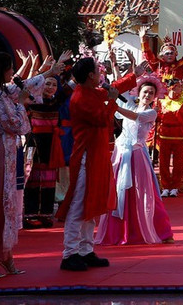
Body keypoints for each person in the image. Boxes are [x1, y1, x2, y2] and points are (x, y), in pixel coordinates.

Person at [0, 51, 62, 278]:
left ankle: (3, 254)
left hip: (5, 152)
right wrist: (21, 104)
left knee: (7, 205)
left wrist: (49, 72)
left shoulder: (0, 91)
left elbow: (25, 85)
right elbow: (16, 125)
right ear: (2, 71)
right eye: (10, 68)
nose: (13, 72)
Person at [57, 56, 137, 272]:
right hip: (86, 156)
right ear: (91, 75)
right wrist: (113, 101)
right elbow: (102, 118)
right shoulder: (80, 97)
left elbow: (112, 89)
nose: (101, 73)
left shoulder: (90, 91)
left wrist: (134, 75)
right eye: (98, 70)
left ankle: (85, 250)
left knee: (92, 203)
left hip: (97, 154)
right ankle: (69, 253)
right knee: (79, 204)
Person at [96, 76, 174, 246]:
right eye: (145, 92)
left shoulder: (151, 113)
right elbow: (121, 91)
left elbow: (134, 116)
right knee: (119, 192)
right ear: (138, 93)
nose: (147, 95)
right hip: (122, 153)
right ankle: (119, 232)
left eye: (151, 93)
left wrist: (114, 104)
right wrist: (123, 71)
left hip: (137, 155)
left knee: (144, 193)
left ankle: (161, 231)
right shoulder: (130, 104)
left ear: (154, 97)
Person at [24, 72, 67, 227]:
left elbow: (70, 88)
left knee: (49, 179)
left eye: (54, 84)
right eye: (47, 83)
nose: (50, 87)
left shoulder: (57, 102)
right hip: (34, 142)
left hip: (51, 143)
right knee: (32, 177)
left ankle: (46, 214)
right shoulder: (31, 101)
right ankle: (30, 214)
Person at [156, 78, 183, 197]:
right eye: (179, 87)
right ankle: (165, 186)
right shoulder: (161, 101)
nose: (181, 89)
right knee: (163, 162)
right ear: (172, 87)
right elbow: (156, 118)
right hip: (164, 135)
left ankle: (175, 186)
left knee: (179, 163)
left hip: (179, 135)